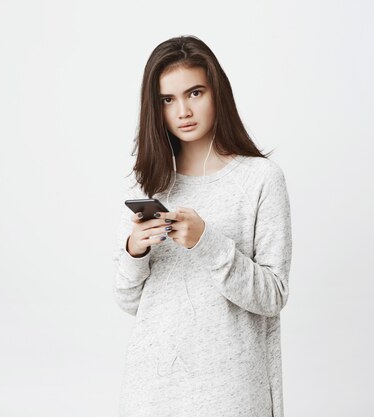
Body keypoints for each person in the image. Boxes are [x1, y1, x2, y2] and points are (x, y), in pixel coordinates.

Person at [112, 35, 293, 417]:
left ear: (217, 94)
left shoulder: (261, 179)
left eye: (195, 93)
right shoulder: (148, 184)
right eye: (168, 100)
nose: (183, 111)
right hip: (152, 393)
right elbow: (129, 301)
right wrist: (135, 251)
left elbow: (273, 296)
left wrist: (208, 242)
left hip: (231, 395)